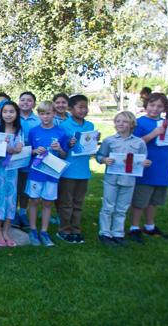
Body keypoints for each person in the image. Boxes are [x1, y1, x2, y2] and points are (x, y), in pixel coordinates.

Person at [129, 93, 168, 242]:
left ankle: (150, 226)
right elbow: (133, 143)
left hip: (163, 168)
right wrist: (153, 134)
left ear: (164, 108)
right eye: (152, 105)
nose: (155, 109)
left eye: (159, 106)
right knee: (140, 199)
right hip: (145, 168)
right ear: (146, 106)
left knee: (154, 200)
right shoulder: (139, 123)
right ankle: (134, 227)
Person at [96, 111, 151, 246]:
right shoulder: (109, 140)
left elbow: (143, 158)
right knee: (108, 206)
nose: (121, 124)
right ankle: (105, 233)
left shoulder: (139, 143)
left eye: (125, 121)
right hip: (111, 179)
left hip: (129, 180)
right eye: (118, 121)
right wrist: (104, 159)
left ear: (132, 124)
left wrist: (146, 163)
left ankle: (118, 233)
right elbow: (99, 156)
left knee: (122, 207)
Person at [26, 101, 69, 247]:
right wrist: (34, 151)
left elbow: (64, 155)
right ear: (38, 115)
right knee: (33, 201)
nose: (45, 116)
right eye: (42, 113)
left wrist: (60, 150)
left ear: (54, 114)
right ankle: (32, 229)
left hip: (51, 174)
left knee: (47, 202)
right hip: (36, 173)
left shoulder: (60, 133)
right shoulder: (33, 131)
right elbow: (28, 151)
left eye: (48, 113)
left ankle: (44, 231)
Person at [56, 94, 95, 244]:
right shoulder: (64, 126)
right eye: (80, 107)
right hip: (68, 171)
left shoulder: (89, 126)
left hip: (84, 171)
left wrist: (94, 140)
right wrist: (69, 144)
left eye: (85, 107)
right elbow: (60, 149)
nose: (83, 110)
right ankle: (64, 230)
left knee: (78, 203)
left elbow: (89, 147)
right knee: (66, 203)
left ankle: (76, 229)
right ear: (71, 109)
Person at [0, 101, 24, 248]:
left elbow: (21, 151)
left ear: (16, 114)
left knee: (10, 201)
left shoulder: (19, 132)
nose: (8, 114)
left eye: (12, 112)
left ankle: (7, 232)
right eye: (5, 112)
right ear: (1, 114)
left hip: (12, 173)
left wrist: (19, 149)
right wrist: (5, 149)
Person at [16, 91, 40, 229]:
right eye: (23, 99)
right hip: (13, 158)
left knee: (24, 188)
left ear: (34, 104)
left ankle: (23, 212)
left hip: (30, 160)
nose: (25, 102)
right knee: (13, 187)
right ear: (19, 101)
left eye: (29, 100)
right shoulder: (13, 116)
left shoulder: (37, 120)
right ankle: (12, 213)